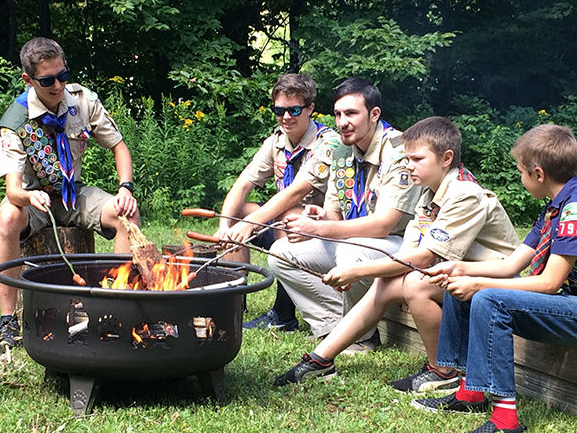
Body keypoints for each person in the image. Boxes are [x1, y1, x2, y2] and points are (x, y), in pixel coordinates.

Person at [273, 116, 520, 389]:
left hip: (494, 280)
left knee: (416, 284)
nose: (408, 166)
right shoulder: (429, 193)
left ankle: (444, 371)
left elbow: (424, 258)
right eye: (407, 159)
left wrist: (356, 270)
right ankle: (321, 360)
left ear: (446, 158)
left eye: (416, 159)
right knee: (387, 282)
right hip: (454, 273)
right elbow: (409, 252)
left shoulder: (464, 194)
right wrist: (371, 272)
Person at [411, 124, 577, 433]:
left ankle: (505, 420)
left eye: (520, 172)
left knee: (488, 299)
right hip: (566, 303)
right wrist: (459, 269)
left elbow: (548, 283)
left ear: (538, 174)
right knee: (468, 282)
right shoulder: (554, 208)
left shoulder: (573, 210)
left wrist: (477, 285)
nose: (520, 177)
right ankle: (471, 393)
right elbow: (513, 264)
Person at [0, 37, 139, 347]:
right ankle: (8, 319)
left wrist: (125, 187)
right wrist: (29, 198)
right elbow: (13, 190)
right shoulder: (15, 122)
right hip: (34, 198)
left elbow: (119, 147)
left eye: (63, 75)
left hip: (73, 194)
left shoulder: (82, 101)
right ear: (28, 79)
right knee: (7, 217)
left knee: (127, 212)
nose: (58, 85)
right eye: (48, 80)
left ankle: (117, 306)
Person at [268, 77, 421, 353]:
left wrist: (317, 230)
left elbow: (384, 225)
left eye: (351, 113)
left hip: (403, 246)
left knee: (350, 253)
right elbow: (335, 218)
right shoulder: (340, 150)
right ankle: (334, 327)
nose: (342, 122)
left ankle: (363, 337)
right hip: (360, 241)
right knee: (280, 251)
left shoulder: (398, 150)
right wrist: (318, 218)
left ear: (374, 114)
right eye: (338, 114)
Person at [214, 73, 343, 331]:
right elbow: (243, 183)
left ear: (310, 109)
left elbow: (296, 192)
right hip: (284, 219)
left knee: (289, 215)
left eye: (294, 110)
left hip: (323, 227)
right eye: (279, 110)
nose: (286, 117)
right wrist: (225, 226)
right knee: (238, 211)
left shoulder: (327, 142)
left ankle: (283, 314)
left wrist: (251, 223)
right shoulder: (277, 141)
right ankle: (235, 302)